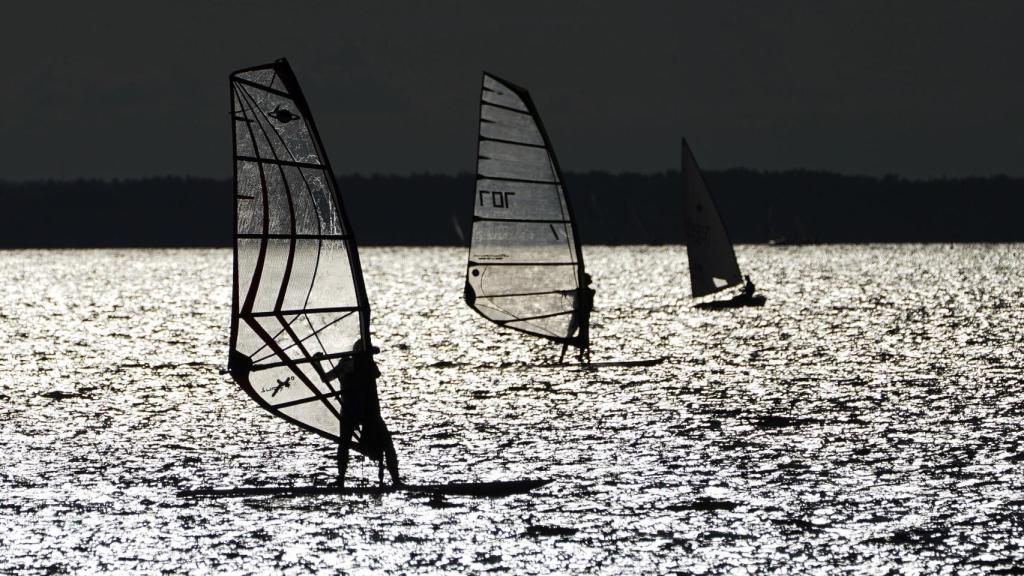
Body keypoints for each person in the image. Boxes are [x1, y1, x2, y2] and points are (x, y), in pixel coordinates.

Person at [311, 340, 401, 488]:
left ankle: (396, 481)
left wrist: (317, 364)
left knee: (385, 444)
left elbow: (376, 373)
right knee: (345, 444)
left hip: (367, 411)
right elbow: (326, 378)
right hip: (353, 410)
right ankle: (341, 479)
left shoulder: (366, 364)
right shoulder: (348, 364)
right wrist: (317, 364)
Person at [560, 273, 595, 364]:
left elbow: (588, 301)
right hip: (579, 316)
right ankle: (562, 357)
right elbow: (569, 292)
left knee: (583, 336)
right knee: (570, 336)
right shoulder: (580, 291)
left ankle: (581, 357)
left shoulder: (589, 292)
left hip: (582, 316)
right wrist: (562, 292)